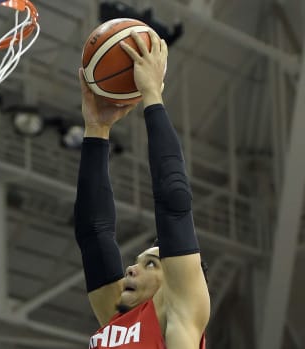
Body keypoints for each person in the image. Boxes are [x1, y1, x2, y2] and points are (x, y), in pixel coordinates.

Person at [74, 29, 210, 349]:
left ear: (176, 282)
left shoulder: (180, 310)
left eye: (151, 263)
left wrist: (152, 94)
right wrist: (97, 129)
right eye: (141, 261)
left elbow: (174, 202)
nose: (131, 268)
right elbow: (94, 234)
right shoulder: (117, 318)